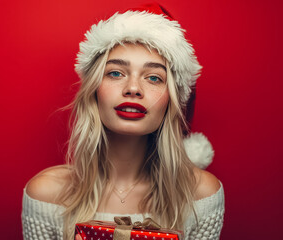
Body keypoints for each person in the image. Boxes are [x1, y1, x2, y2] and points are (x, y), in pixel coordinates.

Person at [22, 3, 224, 240]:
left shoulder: (201, 195)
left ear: (171, 101)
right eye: (116, 73)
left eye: (153, 77)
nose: (133, 88)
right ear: (94, 91)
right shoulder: (47, 194)